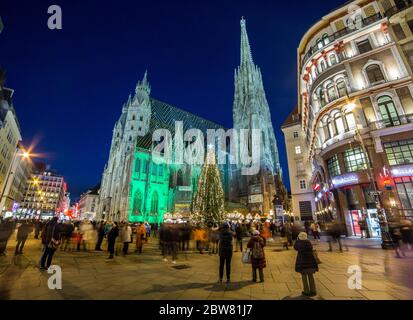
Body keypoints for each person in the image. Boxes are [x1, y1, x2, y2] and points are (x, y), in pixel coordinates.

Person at [294, 232, 319, 297]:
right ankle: (313, 290)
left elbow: (295, 247)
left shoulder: (299, 243)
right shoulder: (308, 243)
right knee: (311, 277)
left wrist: (297, 240)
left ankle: (306, 291)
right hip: (310, 263)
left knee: (304, 277)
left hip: (302, 264)